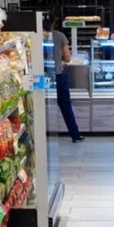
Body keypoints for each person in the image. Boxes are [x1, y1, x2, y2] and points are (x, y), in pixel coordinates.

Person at [46, 14, 84, 143]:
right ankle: (75, 135)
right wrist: (59, 61)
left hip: (41, 78)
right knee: (65, 106)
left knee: (39, 106)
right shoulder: (59, 36)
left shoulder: (34, 36)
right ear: (53, 22)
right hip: (57, 76)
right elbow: (67, 58)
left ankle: (38, 136)